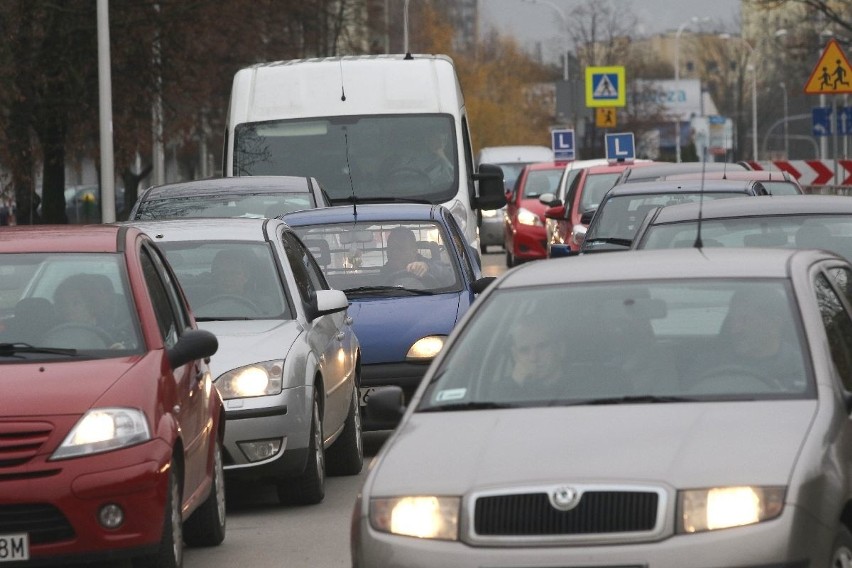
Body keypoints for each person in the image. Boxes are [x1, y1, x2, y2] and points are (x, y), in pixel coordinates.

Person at [381, 227, 450, 283]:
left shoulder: (428, 265)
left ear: (414, 251)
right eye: (391, 248)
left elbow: (449, 274)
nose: (394, 253)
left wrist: (428, 267)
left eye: (400, 248)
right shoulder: (385, 271)